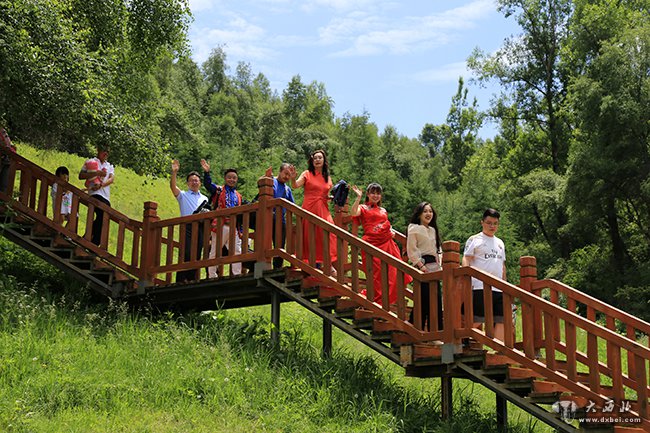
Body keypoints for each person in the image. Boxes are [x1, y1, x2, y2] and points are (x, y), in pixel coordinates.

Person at [350, 183, 412, 307]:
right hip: (372, 244)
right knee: (376, 274)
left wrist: (391, 232)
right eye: (373, 193)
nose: (375, 195)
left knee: (394, 272)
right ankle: (376, 301)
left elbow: (385, 225)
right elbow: (353, 213)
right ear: (368, 194)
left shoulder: (383, 210)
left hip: (387, 243)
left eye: (378, 193)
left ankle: (385, 301)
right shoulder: (363, 207)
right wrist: (358, 198)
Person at [462, 208, 507, 341]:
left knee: (501, 319)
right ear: (482, 222)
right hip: (479, 286)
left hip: (498, 287)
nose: (492, 226)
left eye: (495, 223)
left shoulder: (500, 242)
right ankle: (461, 339)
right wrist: (467, 280)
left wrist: (505, 285)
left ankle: (499, 349)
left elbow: (502, 265)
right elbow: (466, 258)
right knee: (478, 318)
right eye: (489, 223)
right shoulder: (475, 239)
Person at [289, 149, 337, 273]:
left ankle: (326, 262)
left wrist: (330, 197)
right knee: (310, 235)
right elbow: (295, 185)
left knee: (329, 232)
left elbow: (325, 193)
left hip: (323, 208)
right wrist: (293, 179)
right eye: (315, 158)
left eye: (320, 158)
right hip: (310, 207)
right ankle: (311, 263)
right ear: (312, 161)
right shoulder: (307, 174)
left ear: (324, 160)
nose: (317, 160)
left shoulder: (327, 178)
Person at [406, 202, 443, 331]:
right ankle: (417, 326)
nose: (428, 214)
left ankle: (436, 329)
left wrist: (440, 264)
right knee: (424, 296)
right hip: (422, 263)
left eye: (430, 211)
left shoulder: (433, 230)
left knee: (436, 298)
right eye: (425, 211)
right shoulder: (413, 228)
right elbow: (411, 249)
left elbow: (437, 249)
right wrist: (421, 265)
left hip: (434, 265)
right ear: (419, 214)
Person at [170, 159, 208, 283]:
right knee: (186, 252)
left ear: (200, 183)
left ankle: (192, 279)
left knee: (197, 254)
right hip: (187, 226)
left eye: (196, 180)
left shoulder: (205, 198)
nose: (194, 182)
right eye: (191, 180)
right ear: (187, 183)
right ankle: (181, 280)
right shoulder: (183, 195)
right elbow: (173, 187)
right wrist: (174, 172)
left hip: (201, 227)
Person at [79, 145, 114, 246]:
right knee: (102, 215)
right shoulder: (91, 162)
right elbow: (81, 175)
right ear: (98, 151)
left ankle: (89, 238)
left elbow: (111, 179)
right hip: (95, 194)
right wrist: (96, 173)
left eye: (107, 152)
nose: (106, 153)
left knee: (104, 218)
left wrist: (101, 185)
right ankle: (94, 242)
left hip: (106, 196)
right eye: (104, 151)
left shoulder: (110, 166)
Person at [266, 163, 295, 269]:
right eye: (285, 173)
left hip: (280, 219)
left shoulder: (287, 189)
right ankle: (261, 268)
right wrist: (266, 176)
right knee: (264, 243)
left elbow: (292, 205)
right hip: (267, 217)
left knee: (280, 244)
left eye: (289, 175)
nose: (287, 176)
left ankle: (277, 268)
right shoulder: (271, 180)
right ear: (280, 171)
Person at [215, 168, 243, 276]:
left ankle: (237, 274)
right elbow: (208, 185)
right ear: (225, 178)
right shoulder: (220, 190)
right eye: (229, 177)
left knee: (237, 250)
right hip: (221, 224)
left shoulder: (238, 195)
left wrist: (240, 230)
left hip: (233, 226)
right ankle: (212, 274)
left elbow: (240, 215)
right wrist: (207, 173)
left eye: (234, 178)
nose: (232, 180)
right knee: (216, 250)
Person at [0, 126, 16, 194]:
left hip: (6, 160)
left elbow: (11, 148)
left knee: (3, 186)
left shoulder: (3, 132)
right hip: (4, 159)